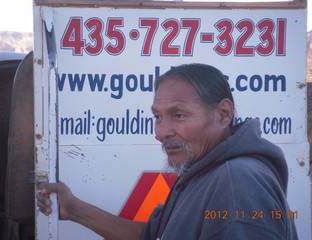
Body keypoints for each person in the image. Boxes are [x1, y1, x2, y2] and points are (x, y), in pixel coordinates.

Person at [37, 63, 298, 239]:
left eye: (179, 115)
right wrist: (74, 209)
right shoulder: (204, 170)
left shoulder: (236, 183)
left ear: (223, 114)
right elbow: (154, 235)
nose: (161, 133)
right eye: (158, 117)